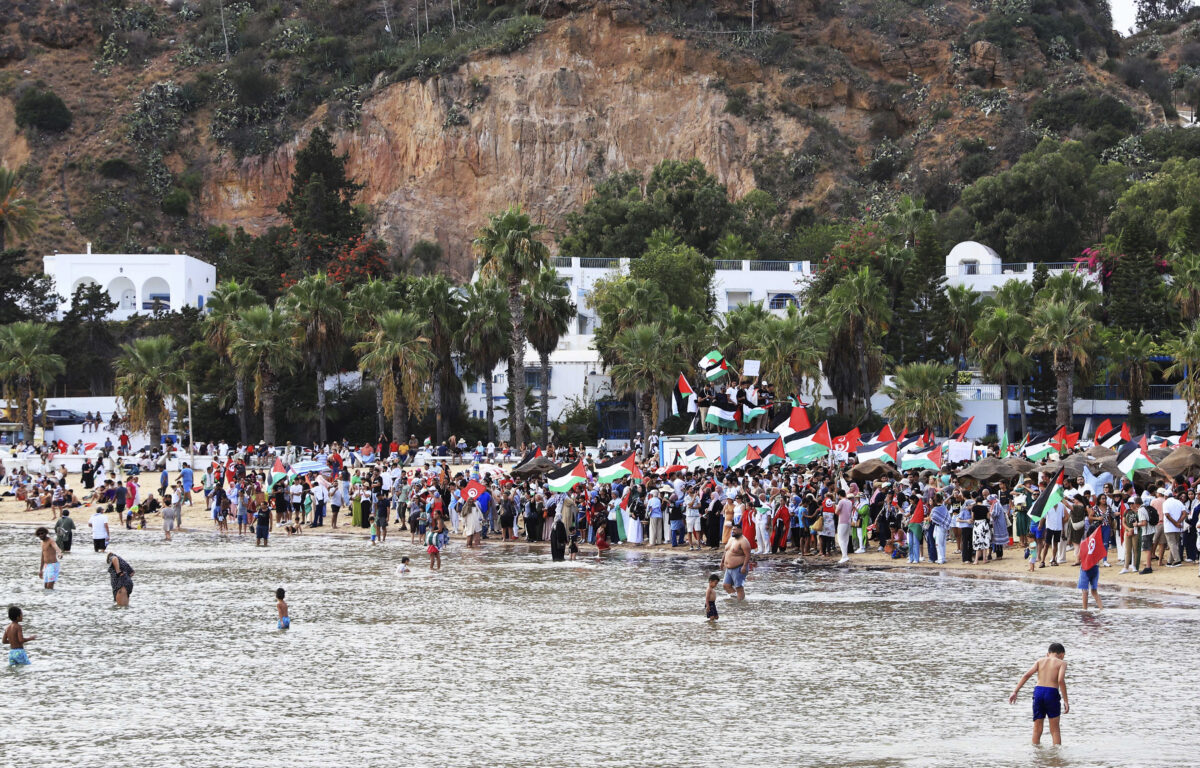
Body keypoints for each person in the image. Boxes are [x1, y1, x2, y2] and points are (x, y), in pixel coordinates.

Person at [1008, 642, 1070, 746]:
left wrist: (1015, 691)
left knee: (1037, 728)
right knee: (1055, 730)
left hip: (1038, 692)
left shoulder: (1040, 661)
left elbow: (1026, 675)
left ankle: (1036, 756)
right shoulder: (1061, 663)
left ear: (1048, 653)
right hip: (1051, 692)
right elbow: (1060, 680)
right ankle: (1057, 758)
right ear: (1062, 655)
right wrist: (1066, 701)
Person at [720, 524, 753, 600]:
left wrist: (744, 566)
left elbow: (748, 555)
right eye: (732, 530)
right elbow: (726, 551)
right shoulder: (731, 538)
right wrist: (722, 562)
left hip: (739, 567)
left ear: (740, 530)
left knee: (739, 588)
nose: (733, 531)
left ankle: (741, 604)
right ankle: (736, 600)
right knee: (726, 585)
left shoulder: (744, 541)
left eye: (735, 530)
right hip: (729, 568)